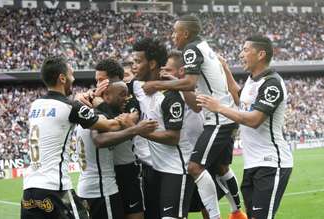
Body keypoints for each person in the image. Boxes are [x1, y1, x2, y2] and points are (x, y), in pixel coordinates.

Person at [142, 15, 246, 219]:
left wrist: (157, 84)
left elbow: (189, 82)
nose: (173, 36)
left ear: (186, 33)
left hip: (218, 118)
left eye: (175, 32)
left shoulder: (191, 49)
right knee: (220, 167)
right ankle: (236, 211)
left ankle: (220, 216)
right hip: (222, 114)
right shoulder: (206, 47)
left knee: (195, 167)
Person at [21, 56, 136, 219]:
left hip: (29, 191)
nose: (73, 79)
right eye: (71, 75)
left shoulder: (35, 106)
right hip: (56, 189)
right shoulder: (69, 107)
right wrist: (131, 123)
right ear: (62, 78)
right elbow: (110, 126)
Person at [196, 36, 293, 219]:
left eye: (246, 50)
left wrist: (219, 107)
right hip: (252, 164)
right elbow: (240, 99)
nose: (241, 54)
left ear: (261, 54)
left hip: (271, 163)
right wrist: (224, 69)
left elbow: (254, 120)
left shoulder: (272, 84)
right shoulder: (252, 80)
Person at [77, 59, 151, 219]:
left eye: (101, 80)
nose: (97, 84)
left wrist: (100, 106)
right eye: (96, 80)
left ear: (116, 78)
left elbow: (127, 122)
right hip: (105, 173)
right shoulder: (94, 98)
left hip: (127, 169)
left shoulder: (128, 98)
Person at [131, 38, 195, 219]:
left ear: (152, 64)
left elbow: (173, 137)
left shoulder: (170, 97)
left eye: (137, 61)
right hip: (154, 169)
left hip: (176, 169)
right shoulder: (137, 86)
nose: (133, 66)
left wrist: (140, 131)